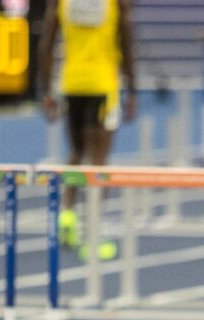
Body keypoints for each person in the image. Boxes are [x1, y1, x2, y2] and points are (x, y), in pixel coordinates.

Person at [37, 0, 137, 257]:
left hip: (72, 82)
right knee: (99, 159)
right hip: (102, 84)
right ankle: (93, 232)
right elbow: (126, 44)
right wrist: (133, 90)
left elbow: (46, 45)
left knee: (76, 151)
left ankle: (67, 216)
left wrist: (46, 91)